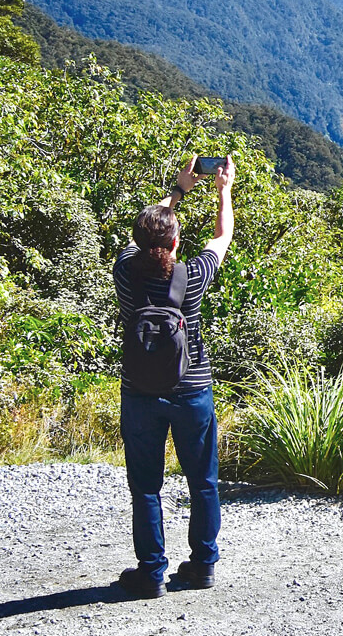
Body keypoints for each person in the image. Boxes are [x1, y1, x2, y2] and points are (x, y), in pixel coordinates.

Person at [113, 155, 236, 598]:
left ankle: (150, 572)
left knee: (145, 486)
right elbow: (224, 235)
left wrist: (177, 191)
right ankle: (203, 565)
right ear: (178, 241)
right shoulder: (194, 275)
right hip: (192, 391)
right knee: (202, 481)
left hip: (140, 392)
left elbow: (151, 229)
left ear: (137, 240)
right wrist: (223, 188)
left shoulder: (124, 271)